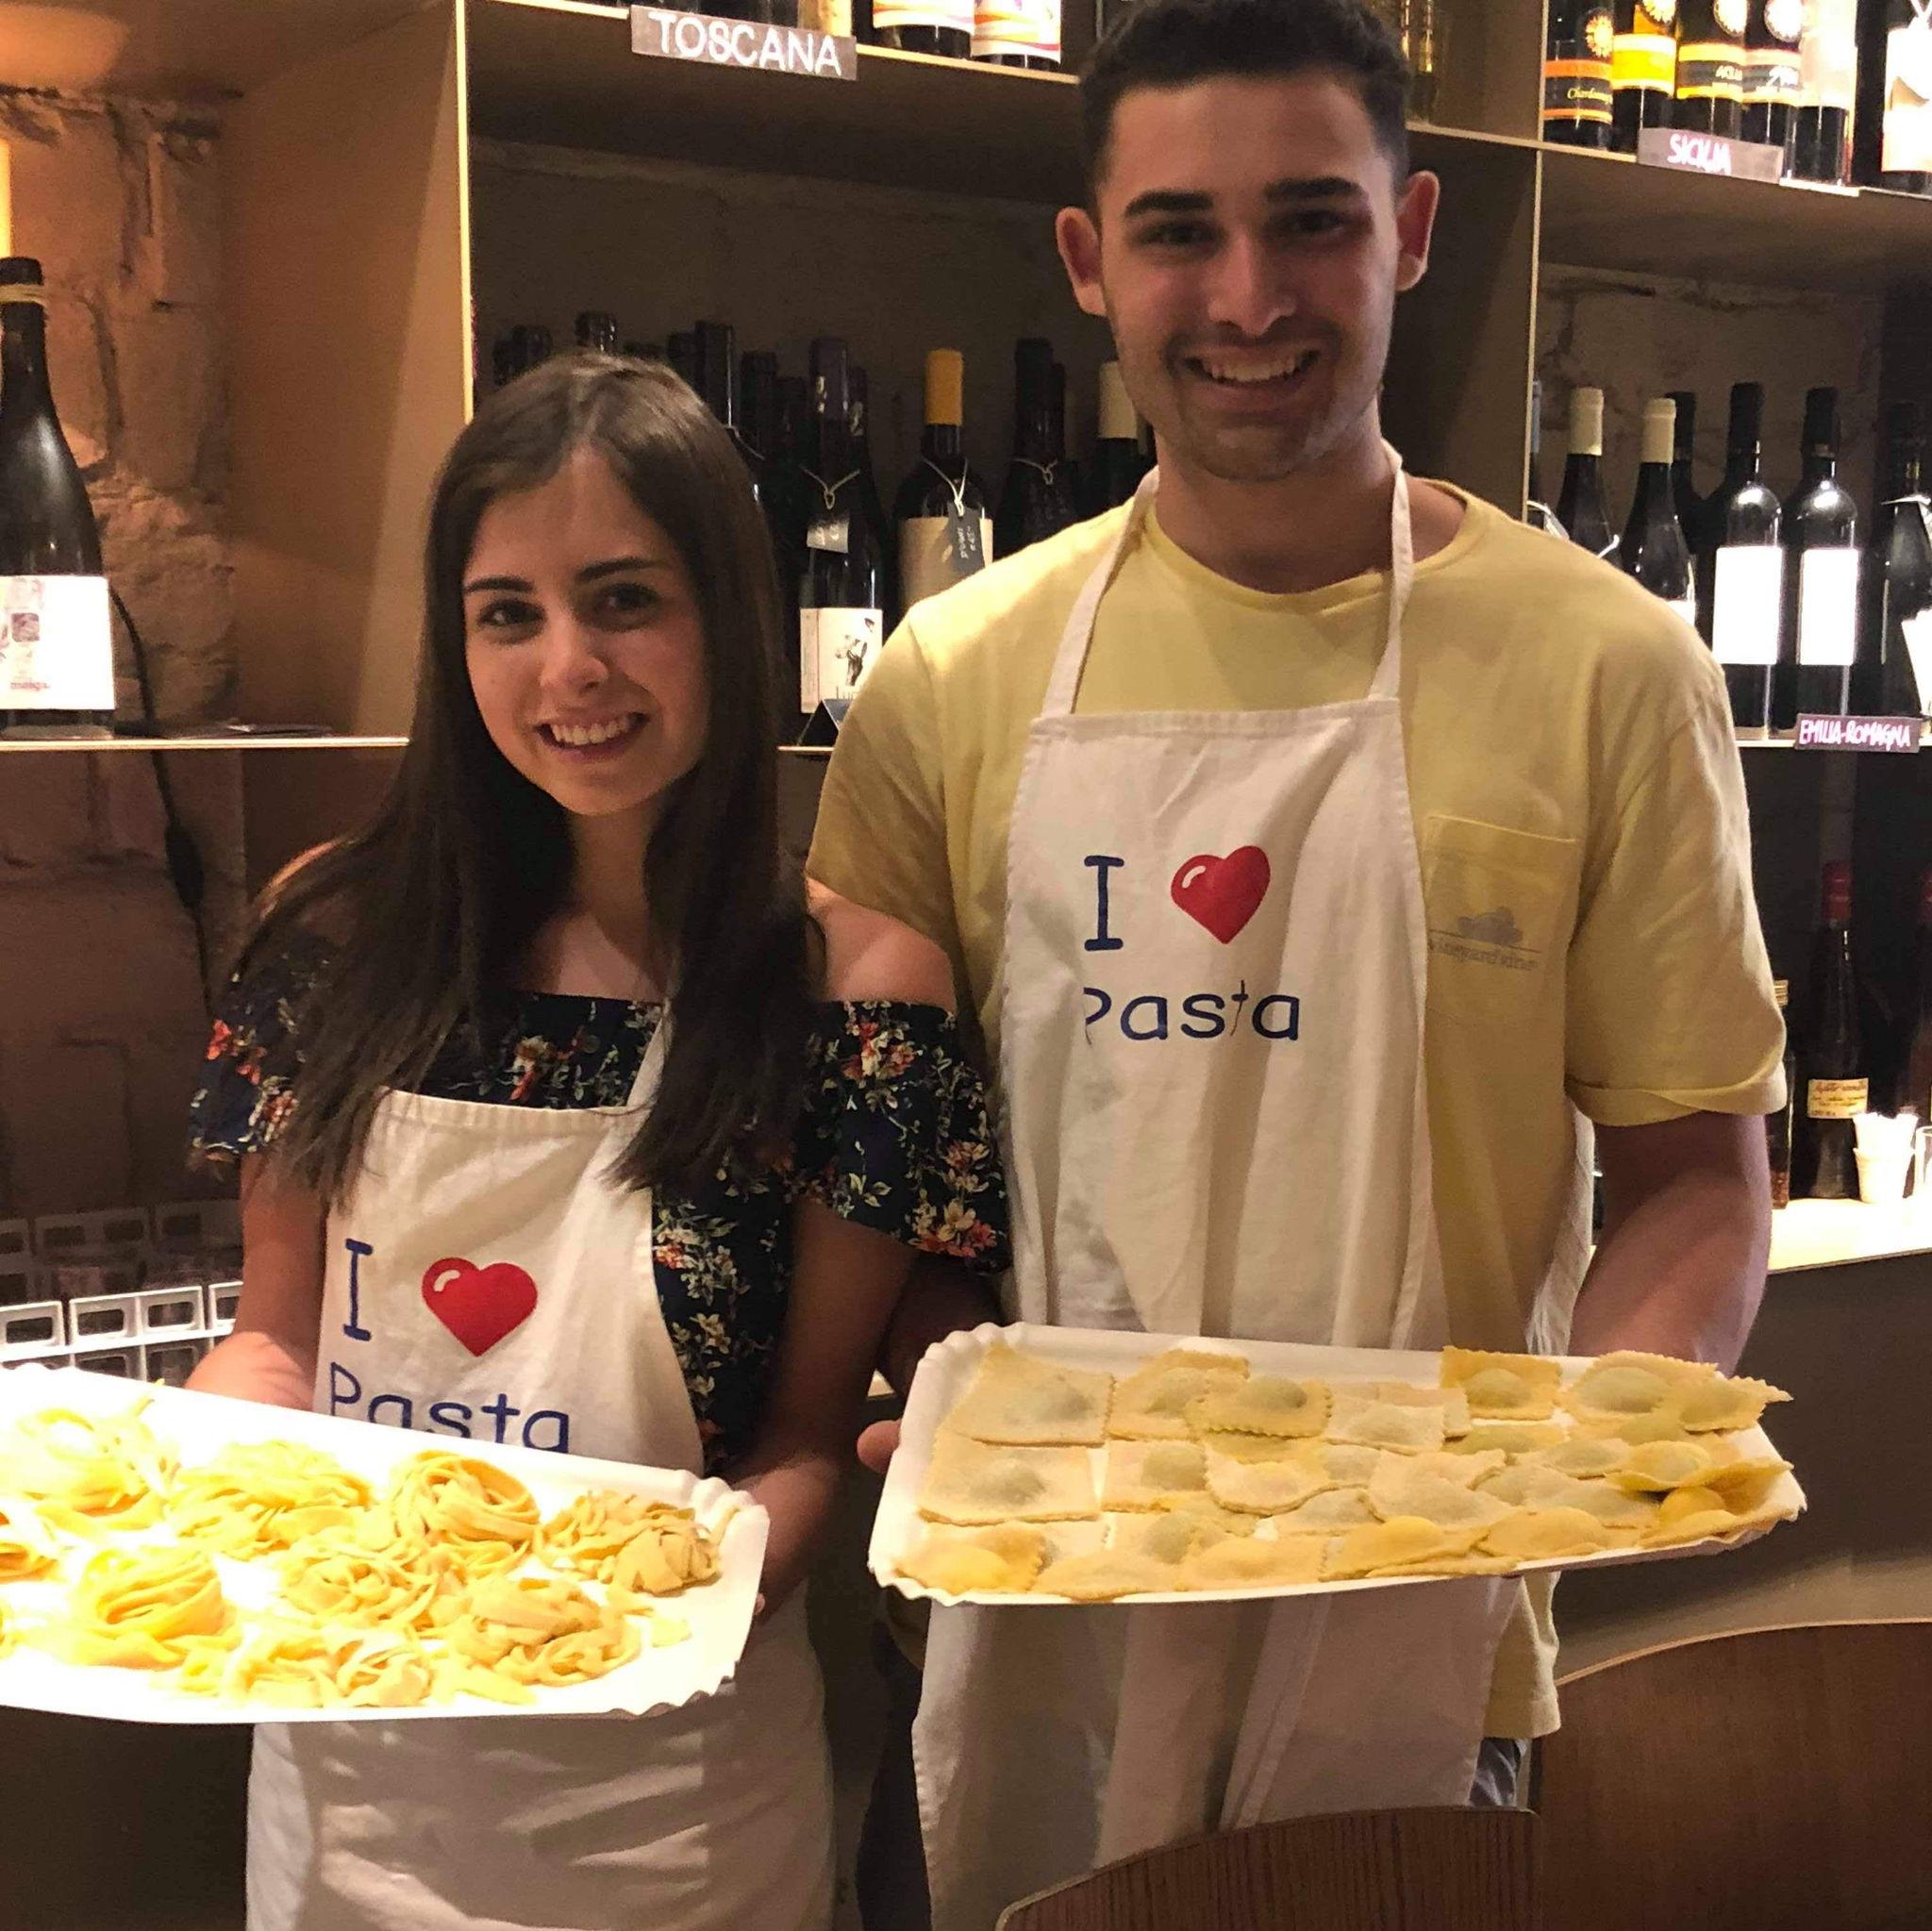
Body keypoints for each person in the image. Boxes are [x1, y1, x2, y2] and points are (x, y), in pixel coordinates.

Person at [808, 2, 1786, 1926]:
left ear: (1410, 230)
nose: (1247, 295)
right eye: (1179, 230)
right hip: (1031, 1598)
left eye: (1311, 222)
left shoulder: (1606, 670)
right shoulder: (951, 675)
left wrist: (1562, 1467)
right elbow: (890, 1164)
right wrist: (913, 1380)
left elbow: (1695, 1179)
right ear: (1090, 264)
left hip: (1417, 1625)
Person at [185, 351, 1009, 1931]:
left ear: (730, 616)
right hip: (355, 1769)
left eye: (625, 600)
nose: (570, 668)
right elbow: (275, 1344)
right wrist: (191, 1485)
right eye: (510, 614)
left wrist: (636, 1610)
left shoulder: (859, 992)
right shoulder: (328, 939)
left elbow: (797, 1440)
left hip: (674, 1802)